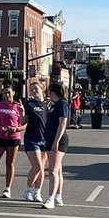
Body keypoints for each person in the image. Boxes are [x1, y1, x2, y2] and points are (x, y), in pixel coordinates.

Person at [0, 84, 25, 198]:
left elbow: (24, 124)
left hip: (13, 138)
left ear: (13, 93)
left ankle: (7, 189)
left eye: (8, 92)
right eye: (4, 93)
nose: (6, 95)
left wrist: (16, 128)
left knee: (10, 163)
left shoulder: (18, 106)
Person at [42, 81, 70, 209]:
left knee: (52, 170)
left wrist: (56, 141)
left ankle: (51, 198)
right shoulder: (53, 105)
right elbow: (46, 121)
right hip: (50, 138)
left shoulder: (62, 104)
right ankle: (58, 196)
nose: (47, 94)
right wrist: (45, 109)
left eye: (48, 92)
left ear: (53, 92)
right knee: (57, 170)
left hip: (58, 140)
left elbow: (62, 124)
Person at [21, 81, 47, 202]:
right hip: (31, 138)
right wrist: (21, 113)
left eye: (36, 89)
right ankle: (28, 190)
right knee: (37, 166)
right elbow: (22, 122)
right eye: (31, 90)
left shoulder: (47, 104)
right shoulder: (29, 104)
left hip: (45, 139)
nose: (34, 91)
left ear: (42, 88)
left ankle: (37, 192)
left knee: (42, 168)